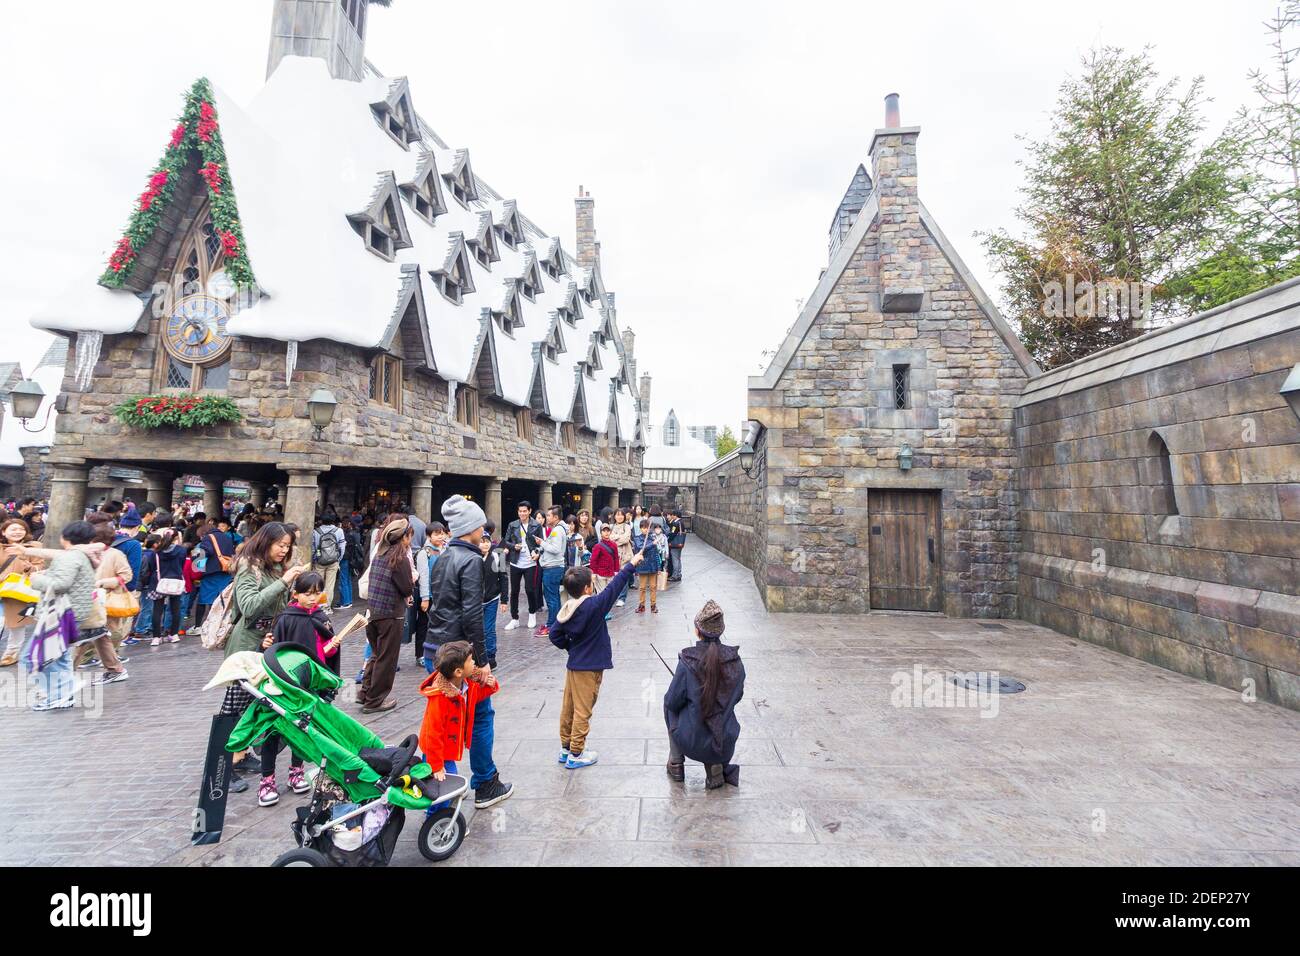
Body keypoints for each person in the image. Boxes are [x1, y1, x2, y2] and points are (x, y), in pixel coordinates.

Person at [423, 495, 513, 810]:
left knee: (440, 720)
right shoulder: (472, 559)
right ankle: (485, 782)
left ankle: (438, 789)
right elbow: (473, 615)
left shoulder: (443, 556)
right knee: (481, 717)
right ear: (471, 527)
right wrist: (483, 663)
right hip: (460, 655)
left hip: (435, 647)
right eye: (480, 525)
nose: (484, 530)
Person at [224, 521, 307, 787]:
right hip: (246, 646)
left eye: (287, 546)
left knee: (255, 705)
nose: (284, 550)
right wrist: (284, 582)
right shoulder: (249, 567)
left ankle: (241, 754)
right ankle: (222, 766)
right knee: (234, 709)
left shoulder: (273, 568)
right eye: (280, 545)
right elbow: (249, 607)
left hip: (266, 645)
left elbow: (276, 608)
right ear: (265, 541)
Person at [548, 552, 642, 768]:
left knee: (569, 707)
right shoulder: (594, 606)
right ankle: (577, 753)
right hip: (589, 667)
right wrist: (632, 564)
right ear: (588, 589)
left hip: (574, 664)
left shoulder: (568, 608)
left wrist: (571, 647)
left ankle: (566, 747)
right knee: (583, 710)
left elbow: (555, 635)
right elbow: (615, 587)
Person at [664, 600, 746, 789]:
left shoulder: (688, 661)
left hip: (694, 742)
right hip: (725, 743)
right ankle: (714, 765)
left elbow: (672, 701)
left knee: (668, 704)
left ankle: (676, 762)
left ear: (697, 631)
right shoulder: (736, 662)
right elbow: (738, 696)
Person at [24, 521, 103, 710]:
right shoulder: (83, 555)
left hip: (61, 612)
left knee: (35, 656)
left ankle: (56, 695)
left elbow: (61, 584)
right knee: (61, 655)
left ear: (64, 537)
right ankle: (63, 693)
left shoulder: (70, 557)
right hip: (75, 611)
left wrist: (37, 579)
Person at [417, 641, 499, 804]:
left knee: (445, 787)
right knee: (443, 788)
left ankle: (441, 813)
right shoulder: (439, 698)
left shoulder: (465, 683)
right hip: (436, 752)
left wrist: (490, 685)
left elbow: (475, 697)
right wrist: (436, 765)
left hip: (447, 747)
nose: (474, 662)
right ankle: (438, 823)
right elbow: (432, 733)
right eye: (470, 660)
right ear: (458, 671)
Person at [360, 517, 413, 714]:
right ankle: (375, 701)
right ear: (404, 537)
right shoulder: (399, 558)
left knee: (376, 654)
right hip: (390, 614)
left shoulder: (380, 554)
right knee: (387, 659)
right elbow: (406, 586)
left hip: (373, 613)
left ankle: (365, 693)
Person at [77, 513, 132, 683]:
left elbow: (126, 575)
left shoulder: (115, 554)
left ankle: (62, 676)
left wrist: (103, 582)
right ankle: (115, 669)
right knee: (97, 636)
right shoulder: (83, 553)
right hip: (87, 600)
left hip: (104, 600)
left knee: (83, 637)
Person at [272, 570, 341, 673]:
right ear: (295, 594)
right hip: (294, 674)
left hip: (318, 673)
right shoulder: (286, 619)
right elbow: (276, 649)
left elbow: (326, 652)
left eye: (318, 594)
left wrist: (332, 646)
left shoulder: (321, 617)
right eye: (307, 594)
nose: (313, 598)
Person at [0, 517, 43, 668]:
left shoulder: (33, 547)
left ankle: (12, 653)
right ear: (4, 532)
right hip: (1, 590)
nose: (18, 532)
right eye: (13, 529)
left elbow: (40, 568)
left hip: (17, 591)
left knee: (16, 625)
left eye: (21, 529)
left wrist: (28, 566)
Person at [140, 529, 186, 646]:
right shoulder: (181, 551)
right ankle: (174, 634)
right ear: (176, 538)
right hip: (176, 581)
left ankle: (156, 637)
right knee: (175, 609)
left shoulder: (156, 552)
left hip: (158, 582)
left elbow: (151, 567)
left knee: (157, 610)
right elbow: (181, 565)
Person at [503, 501, 542, 631]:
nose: (522, 513)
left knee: (530, 589)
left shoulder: (536, 525)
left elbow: (541, 544)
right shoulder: (512, 525)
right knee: (514, 591)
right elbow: (506, 541)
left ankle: (532, 614)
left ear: (530, 511)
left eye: (525, 511)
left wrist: (537, 552)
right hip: (515, 561)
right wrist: (514, 546)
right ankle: (514, 618)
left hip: (530, 562)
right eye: (520, 511)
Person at [414, 521, 449, 663]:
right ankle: (421, 655)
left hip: (442, 594)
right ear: (429, 536)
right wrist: (424, 598)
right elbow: (423, 576)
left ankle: (437, 652)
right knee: (424, 626)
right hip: (429, 595)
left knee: (439, 626)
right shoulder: (425, 553)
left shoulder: (445, 550)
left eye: (442, 533)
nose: (440, 536)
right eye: (436, 534)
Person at [478, 520, 509, 669]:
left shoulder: (498, 555)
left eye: (487, 541)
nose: (485, 544)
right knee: (476, 629)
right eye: (482, 542)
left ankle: (491, 656)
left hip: (492, 598)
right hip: (476, 600)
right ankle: (478, 655)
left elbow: (503, 578)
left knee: (489, 629)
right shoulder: (473, 557)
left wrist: (504, 600)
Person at [195, 520, 235, 630]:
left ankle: (198, 626)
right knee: (223, 599)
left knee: (204, 600)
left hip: (212, 573)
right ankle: (222, 624)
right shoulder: (227, 537)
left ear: (203, 533)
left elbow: (204, 552)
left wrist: (197, 566)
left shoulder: (208, 538)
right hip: (226, 571)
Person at [536, 505, 567, 640]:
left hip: (552, 568)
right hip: (554, 567)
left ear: (555, 517)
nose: (546, 517)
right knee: (554, 597)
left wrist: (542, 543)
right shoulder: (558, 529)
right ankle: (558, 624)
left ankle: (551, 626)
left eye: (548, 515)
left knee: (551, 598)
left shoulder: (557, 531)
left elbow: (555, 549)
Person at [311, 513, 346, 611]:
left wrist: (314, 559)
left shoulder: (316, 531)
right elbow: (342, 546)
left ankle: (318, 606)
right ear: (333, 521)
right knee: (330, 585)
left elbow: (313, 547)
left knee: (318, 584)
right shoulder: (339, 531)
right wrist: (338, 559)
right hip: (333, 562)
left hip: (319, 561)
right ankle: (326, 607)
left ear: (321, 521)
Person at [588, 524, 621, 621]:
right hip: (600, 574)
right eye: (604, 531)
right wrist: (593, 573)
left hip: (610, 573)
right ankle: (602, 612)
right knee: (601, 594)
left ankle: (606, 611)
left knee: (609, 594)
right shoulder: (597, 546)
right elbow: (593, 561)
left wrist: (616, 571)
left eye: (608, 531)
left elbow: (616, 559)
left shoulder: (614, 545)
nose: (606, 533)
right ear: (601, 533)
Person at [631, 518, 665, 614]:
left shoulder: (653, 537)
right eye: (643, 528)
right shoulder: (637, 538)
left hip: (653, 566)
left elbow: (656, 554)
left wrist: (658, 567)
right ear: (641, 528)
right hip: (642, 566)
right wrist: (652, 544)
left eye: (647, 528)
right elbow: (641, 549)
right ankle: (641, 605)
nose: (645, 529)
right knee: (642, 587)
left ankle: (653, 605)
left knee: (653, 587)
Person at [609, 508, 634, 608]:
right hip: (613, 555)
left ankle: (622, 598)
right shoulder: (611, 527)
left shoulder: (627, 526)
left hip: (625, 556)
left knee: (623, 576)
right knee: (613, 577)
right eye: (617, 515)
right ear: (614, 516)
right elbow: (609, 538)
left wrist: (616, 538)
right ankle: (615, 596)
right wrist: (619, 537)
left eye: (621, 515)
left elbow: (626, 539)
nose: (619, 517)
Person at [665, 508, 686, 582]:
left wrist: (667, 540)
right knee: (678, 559)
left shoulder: (676, 523)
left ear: (676, 515)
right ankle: (679, 574)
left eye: (673, 515)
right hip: (680, 543)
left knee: (675, 560)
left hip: (675, 544)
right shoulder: (681, 522)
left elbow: (672, 534)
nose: (672, 516)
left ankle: (675, 576)